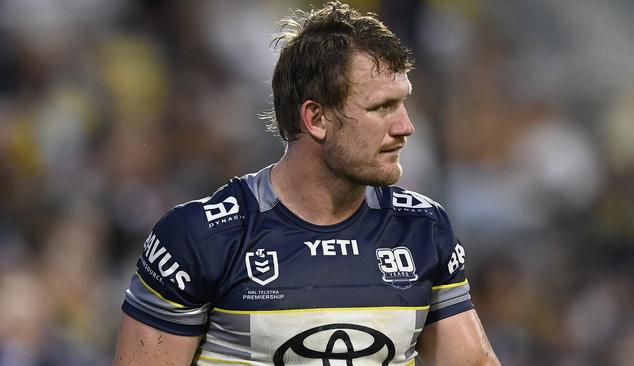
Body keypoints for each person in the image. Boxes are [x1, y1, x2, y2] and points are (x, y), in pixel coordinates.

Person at [112, 2, 500, 365]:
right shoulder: (200, 239)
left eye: (402, 104)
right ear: (316, 119)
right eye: (381, 107)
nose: (405, 127)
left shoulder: (422, 229)